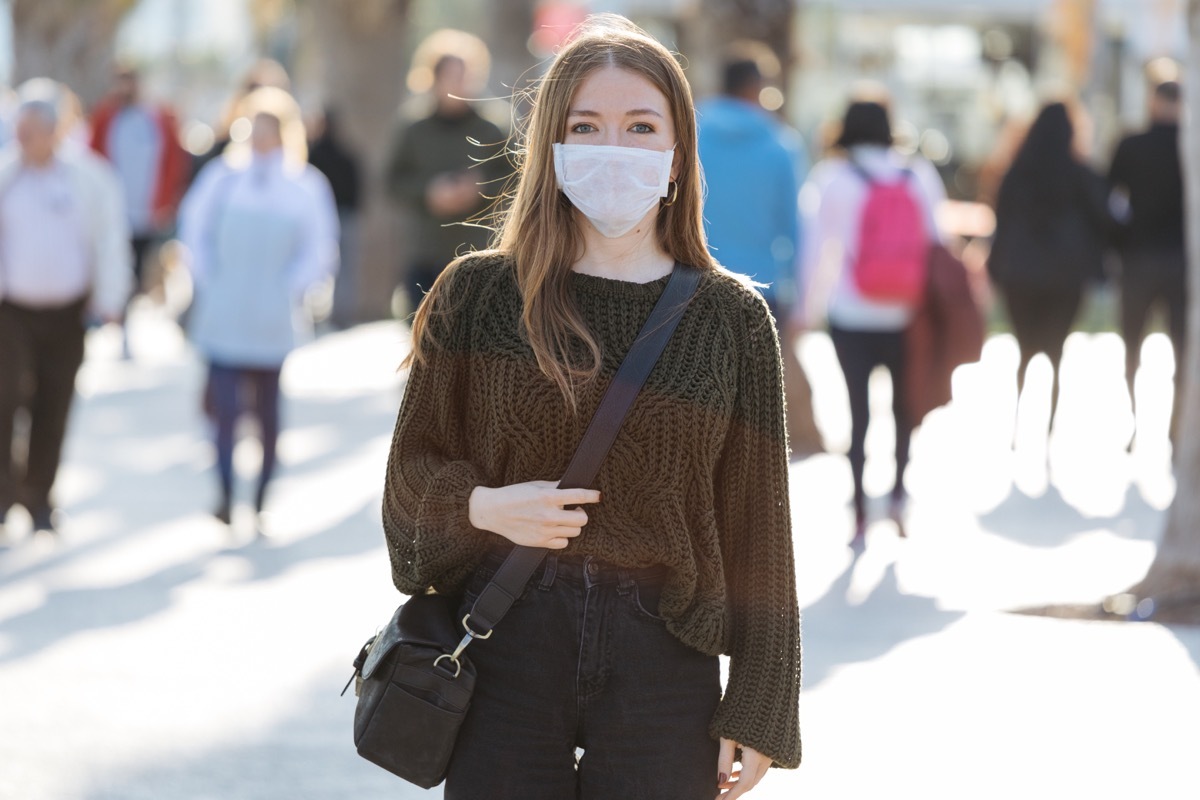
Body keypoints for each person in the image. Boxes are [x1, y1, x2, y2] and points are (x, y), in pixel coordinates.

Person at [382, 14, 800, 798]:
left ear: (677, 155)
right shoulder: (474, 295)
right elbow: (407, 482)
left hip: (664, 664)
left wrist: (763, 702)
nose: (615, 147)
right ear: (553, 146)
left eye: (642, 125)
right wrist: (484, 507)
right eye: (588, 125)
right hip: (505, 647)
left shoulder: (732, 320)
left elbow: (760, 529)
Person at [179, 87, 338, 531]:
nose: (261, 137)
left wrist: (291, 287)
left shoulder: (304, 185)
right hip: (225, 308)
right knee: (224, 408)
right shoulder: (223, 179)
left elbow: (320, 247)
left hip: (272, 312)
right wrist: (209, 280)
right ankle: (226, 493)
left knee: (267, 410)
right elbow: (195, 230)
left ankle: (262, 494)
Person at [796, 99, 945, 545]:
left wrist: (807, 308)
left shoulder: (833, 178)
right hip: (907, 313)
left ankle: (859, 512)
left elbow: (816, 251)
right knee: (903, 409)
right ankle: (898, 498)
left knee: (858, 413)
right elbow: (937, 243)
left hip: (851, 313)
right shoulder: (918, 176)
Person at [0, 79, 132, 536]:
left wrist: (110, 299)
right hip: (12, 310)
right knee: (5, 401)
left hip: (68, 311)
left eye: (33, 129)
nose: (24, 139)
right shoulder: (6, 177)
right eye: (20, 129)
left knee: (52, 404)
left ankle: (39, 497)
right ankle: (3, 496)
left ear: (55, 131)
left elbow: (110, 241)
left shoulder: (88, 179)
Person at [697, 44, 823, 458]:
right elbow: (793, 230)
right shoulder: (781, 144)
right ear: (757, 88)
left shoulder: (690, 133)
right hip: (761, 287)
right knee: (756, 401)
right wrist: (800, 297)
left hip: (692, 279)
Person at [988, 101, 1111, 449]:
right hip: (1066, 277)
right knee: (1056, 353)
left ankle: (1017, 424)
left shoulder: (1017, 172)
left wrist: (996, 270)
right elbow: (1104, 219)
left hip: (1021, 276)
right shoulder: (1080, 173)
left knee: (1025, 351)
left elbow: (1002, 222)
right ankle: (1047, 431)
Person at [383, 31, 508, 316]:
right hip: (426, 254)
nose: (460, 84)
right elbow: (392, 181)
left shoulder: (494, 127)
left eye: (466, 75)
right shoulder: (414, 129)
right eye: (452, 76)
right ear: (434, 78)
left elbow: (517, 177)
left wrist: (479, 187)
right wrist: (428, 191)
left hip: (481, 256)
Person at [88, 64, 189, 357]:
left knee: (141, 270)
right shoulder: (106, 117)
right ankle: (121, 328)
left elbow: (173, 161)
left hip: (146, 211)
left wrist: (166, 201)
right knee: (119, 267)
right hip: (114, 211)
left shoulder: (157, 118)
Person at [1108, 79, 1186, 449]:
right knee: (1180, 349)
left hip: (1140, 257)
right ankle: (1171, 428)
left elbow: (1107, 198)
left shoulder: (1133, 145)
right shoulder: (1187, 145)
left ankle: (1145, 426)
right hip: (1177, 260)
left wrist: (1119, 238)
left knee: (1133, 347)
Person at [306, 107, 362, 328]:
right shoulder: (346, 155)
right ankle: (341, 314)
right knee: (344, 268)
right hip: (345, 215)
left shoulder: (312, 155)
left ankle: (315, 313)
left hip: (334, 215)